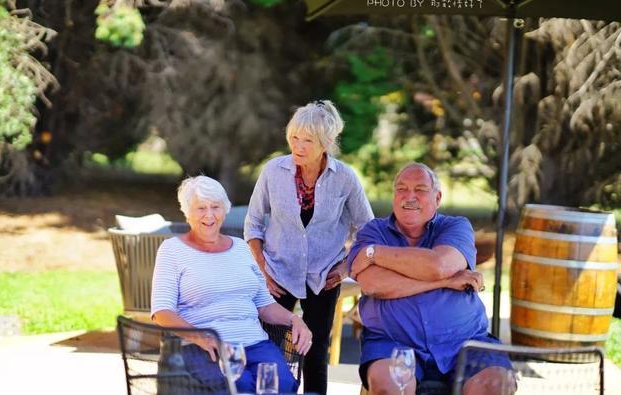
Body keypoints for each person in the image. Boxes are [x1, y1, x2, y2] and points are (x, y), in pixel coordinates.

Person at [347, 163, 515, 395]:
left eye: (420, 189)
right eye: (401, 189)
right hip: (392, 343)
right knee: (389, 386)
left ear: (437, 197)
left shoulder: (456, 227)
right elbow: (373, 284)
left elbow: (438, 265)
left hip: (465, 342)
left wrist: (374, 253)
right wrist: (446, 281)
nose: (409, 196)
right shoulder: (373, 232)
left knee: (495, 385)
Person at [244, 100, 374, 394]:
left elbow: (368, 228)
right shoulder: (273, 171)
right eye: (294, 138)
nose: (298, 146)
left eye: (308, 140)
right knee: (268, 348)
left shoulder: (345, 178)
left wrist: (344, 268)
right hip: (277, 272)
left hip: (324, 274)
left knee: (316, 352)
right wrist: (264, 272)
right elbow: (252, 225)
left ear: (325, 143)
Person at [151, 176, 312, 394]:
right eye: (201, 208)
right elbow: (162, 311)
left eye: (215, 207)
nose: (209, 215)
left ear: (225, 209)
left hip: (255, 344)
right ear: (187, 212)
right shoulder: (172, 250)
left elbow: (264, 305)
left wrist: (294, 319)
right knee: (239, 385)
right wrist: (200, 336)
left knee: (280, 385)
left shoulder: (240, 248)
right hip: (205, 347)